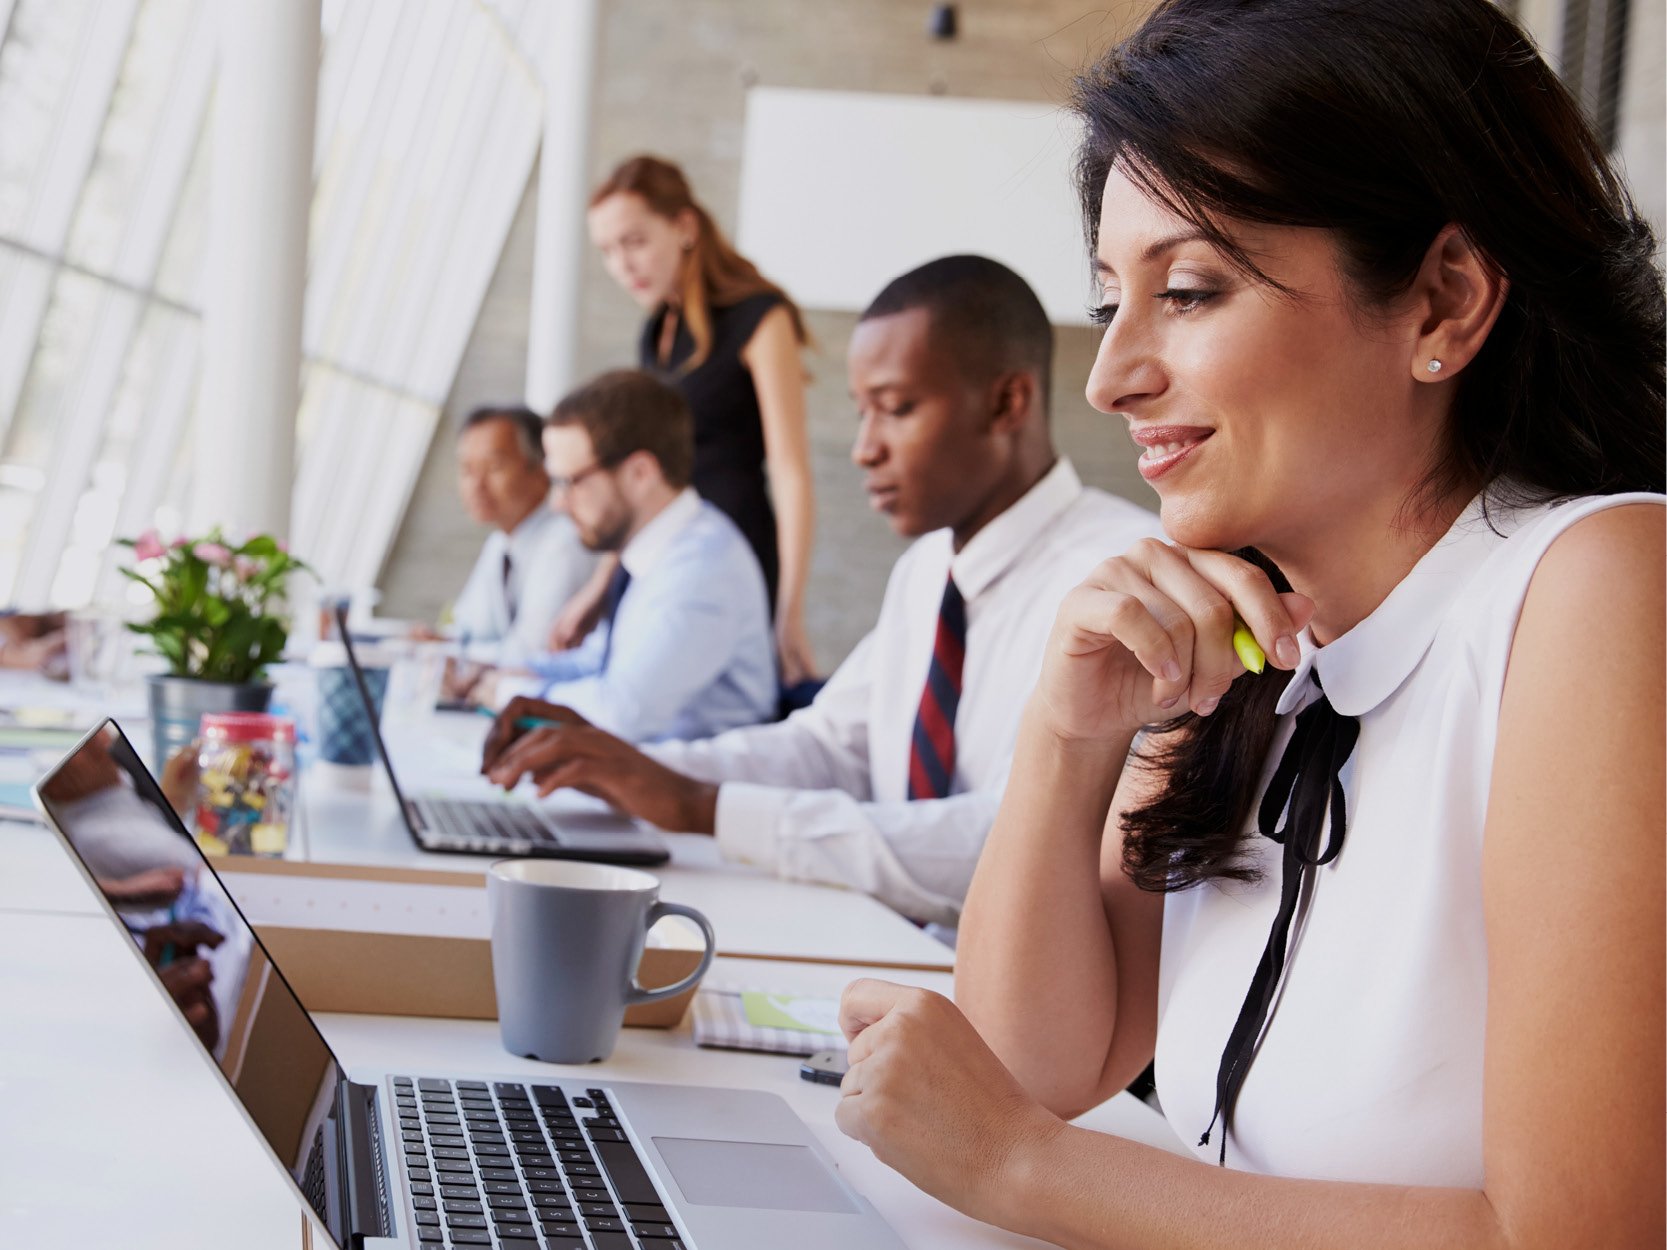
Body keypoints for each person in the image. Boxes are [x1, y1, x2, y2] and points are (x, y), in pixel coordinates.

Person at [821, 1, 1666, 1246]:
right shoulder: (1252, 631)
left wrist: (1019, 1170)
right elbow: (1035, 1059)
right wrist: (1065, 734)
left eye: (1189, 289)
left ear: (1440, 301)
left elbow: (1570, 1236)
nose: (1110, 375)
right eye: (1112, 299)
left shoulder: (1594, 585)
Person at [479, 256, 1166, 926]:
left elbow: (1007, 841)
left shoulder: (1119, 582)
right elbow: (831, 749)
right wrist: (621, 765)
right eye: (860, 411)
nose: (863, 448)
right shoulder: (928, 568)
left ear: (1005, 402)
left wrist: (701, 806)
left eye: (894, 409)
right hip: (889, 945)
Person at [579, 154, 820, 686]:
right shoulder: (655, 332)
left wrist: (790, 610)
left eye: (634, 242)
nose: (623, 265)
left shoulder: (760, 317)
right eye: (608, 251)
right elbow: (643, 477)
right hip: (661, 552)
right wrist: (600, 583)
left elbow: (790, 471)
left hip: (730, 548)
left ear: (684, 227)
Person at [479, 370, 775, 743]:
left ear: (640, 473)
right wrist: (498, 672)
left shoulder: (702, 570)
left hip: (683, 787)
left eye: (570, 483)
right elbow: (598, 664)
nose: (557, 504)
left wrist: (509, 694)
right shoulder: (653, 556)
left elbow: (620, 712)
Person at [439, 406, 596, 672]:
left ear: (542, 473)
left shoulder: (565, 541)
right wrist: (439, 644)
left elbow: (531, 652)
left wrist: (453, 656)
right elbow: (468, 626)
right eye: (467, 470)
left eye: (493, 467)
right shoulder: (500, 543)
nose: (476, 485)